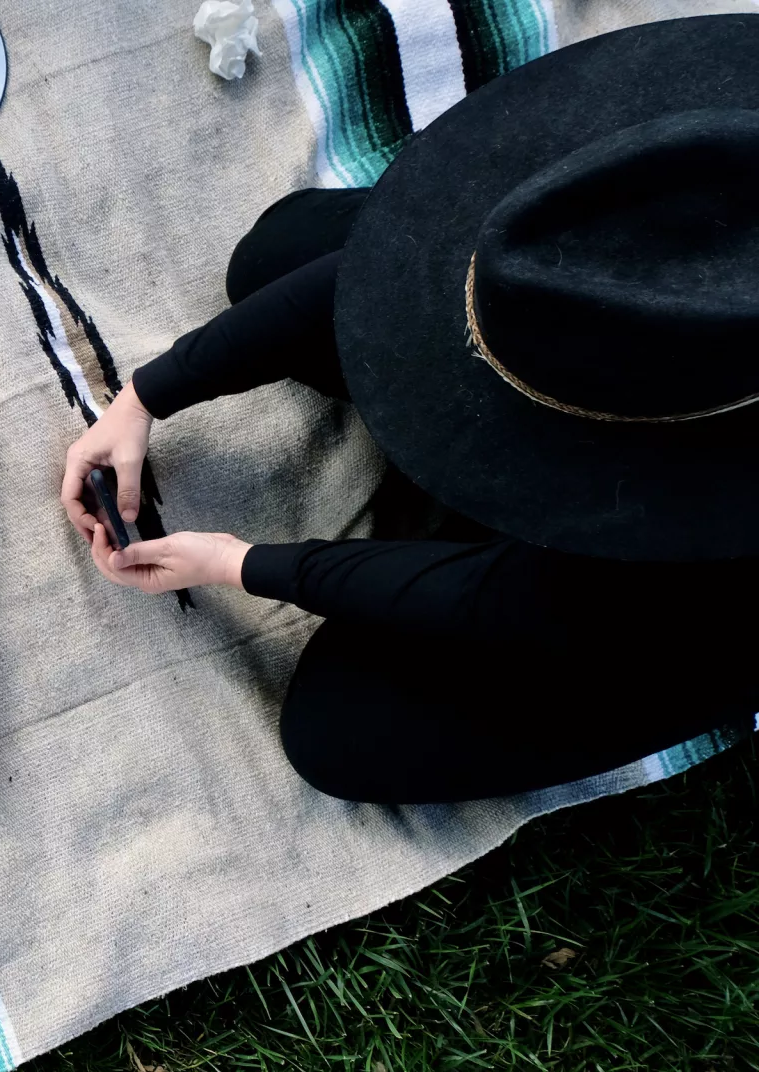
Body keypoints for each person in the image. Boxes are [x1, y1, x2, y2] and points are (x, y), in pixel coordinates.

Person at [59, 14, 759, 804]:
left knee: (343, 730)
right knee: (278, 258)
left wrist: (238, 562)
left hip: (679, 608)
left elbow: (510, 601)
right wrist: (146, 396)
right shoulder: (689, 177)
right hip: (645, 351)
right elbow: (373, 277)